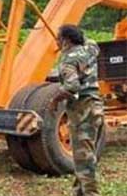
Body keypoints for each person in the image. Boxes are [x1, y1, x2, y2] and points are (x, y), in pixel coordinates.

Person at [50, 25, 104, 196]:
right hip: (96, 107)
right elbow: (92, 44)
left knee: (83, 160)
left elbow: (72, 86)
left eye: (58, 38)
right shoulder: (90, 48)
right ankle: (78, 192)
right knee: (86, 156)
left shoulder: (68, 60)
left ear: (66, 40)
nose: (56, 41)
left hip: (82, 111)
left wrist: (55, 100)